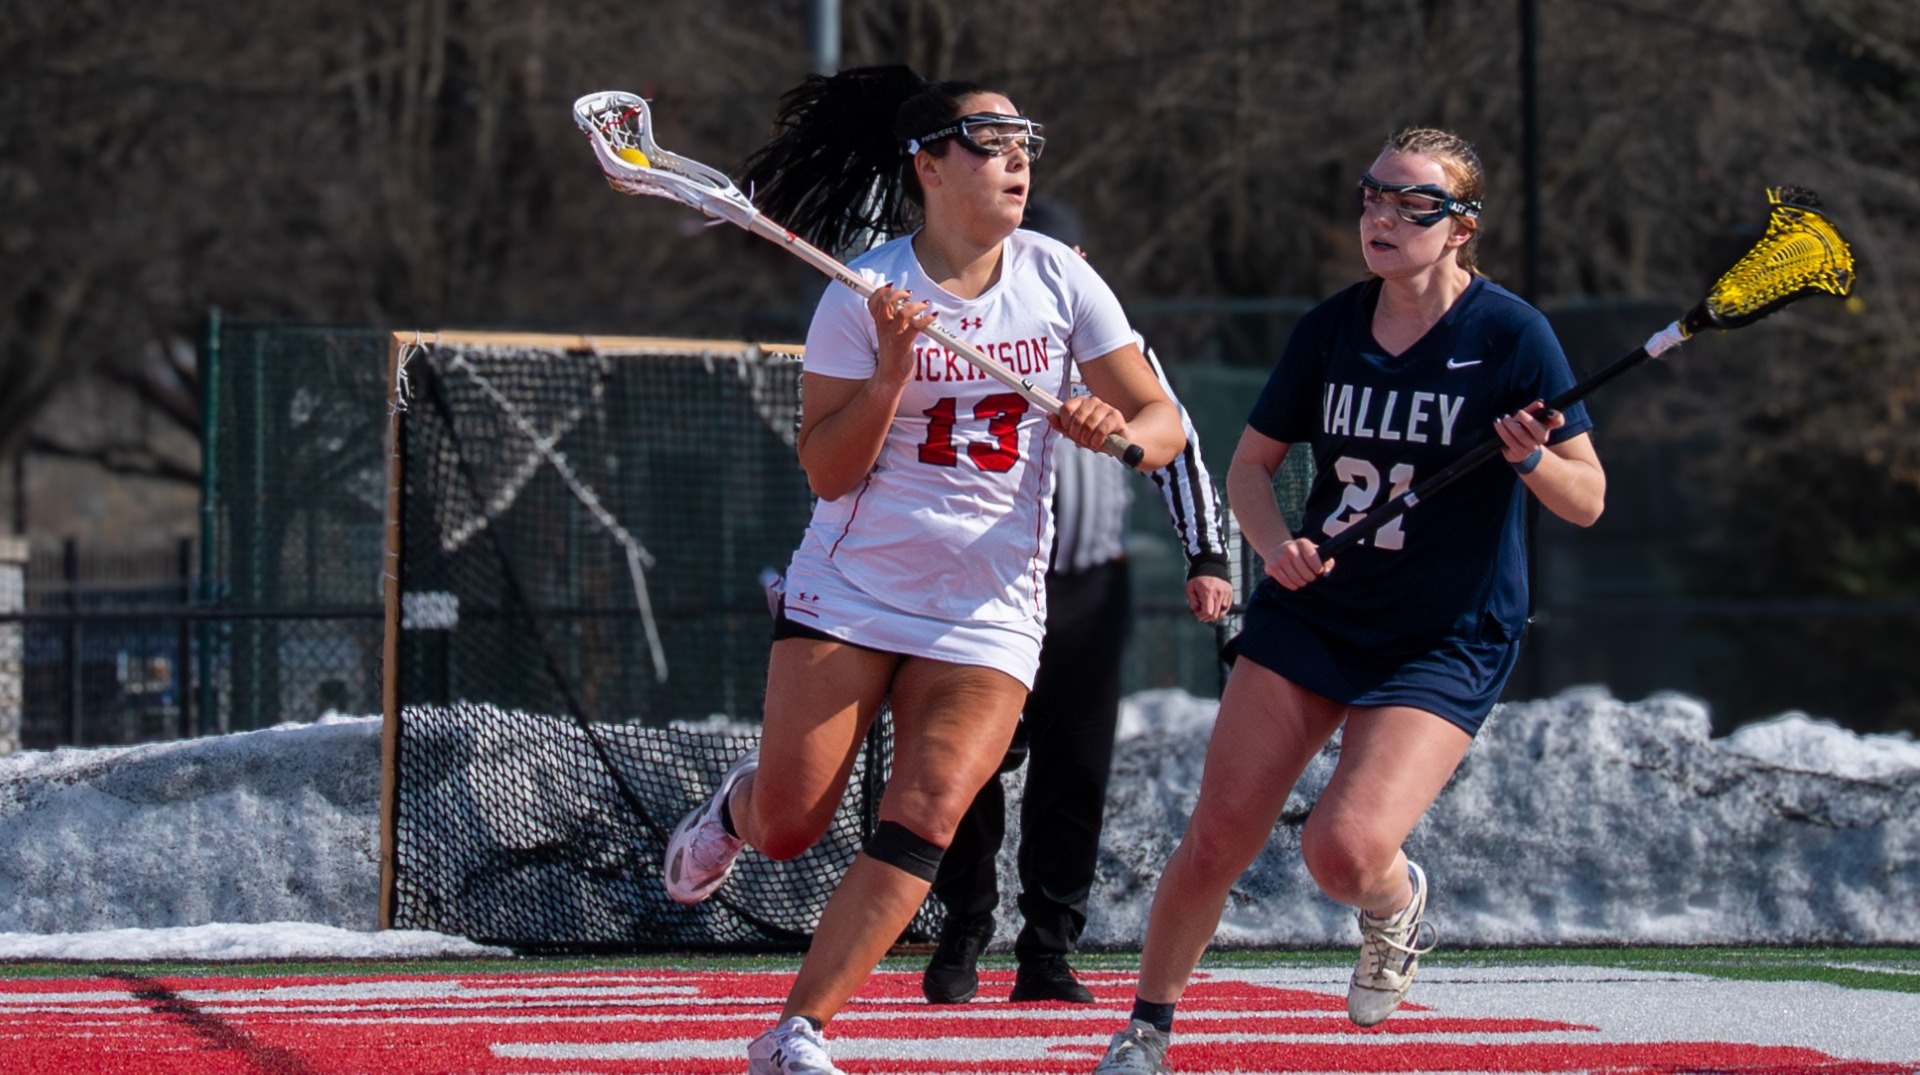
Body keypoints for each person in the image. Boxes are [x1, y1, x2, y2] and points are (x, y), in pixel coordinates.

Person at [659, 65, 1190, 1075]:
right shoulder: (863, 291)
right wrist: (895, 370)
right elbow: (827, 467)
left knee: (932, 805)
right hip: (854, 591)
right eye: (991, 142)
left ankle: (797, 1029)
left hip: (988, 604)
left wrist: (1114, 423)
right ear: (930, 165)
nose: (1018, 159)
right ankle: (737, 808)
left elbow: (1162, 422)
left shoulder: (1059, 279)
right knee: (788, 825)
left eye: (1026, 140)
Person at [1088, 127, 1607, 1074]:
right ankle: (1145, 1032)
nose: (1383, 218)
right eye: (1373, 196)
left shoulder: (1511, 334)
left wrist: (1530, 455)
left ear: (1461, 228)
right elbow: (1252, 467)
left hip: (1442, 636)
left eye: (1414, 205)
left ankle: (1393, 900)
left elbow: (1588, 497)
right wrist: (1273, 545)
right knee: (1219, 832)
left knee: (1344, 847)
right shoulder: (1330, 326)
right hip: (1315, 613)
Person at [921, 197, 1235, 1007]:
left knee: (1076, 766)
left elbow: (1179, 447)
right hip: (979, 588)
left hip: (1087, 587)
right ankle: (964, 920)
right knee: (963, 760)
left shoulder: (1113, 348)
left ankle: (1048, 949)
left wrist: (1206, 553)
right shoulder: (964, 339)